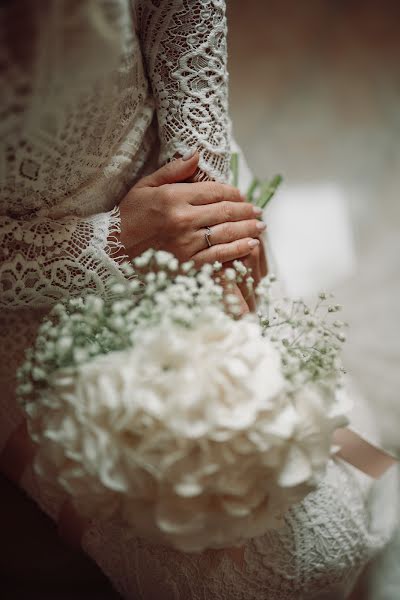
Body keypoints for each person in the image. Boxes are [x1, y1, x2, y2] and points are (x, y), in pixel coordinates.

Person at [0, 1, 398, 598]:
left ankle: (369, 464)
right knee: (266, 575)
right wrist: (110, 244)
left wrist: (204, 195)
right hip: (30, 296)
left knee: (331, 510)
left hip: (174, 179)